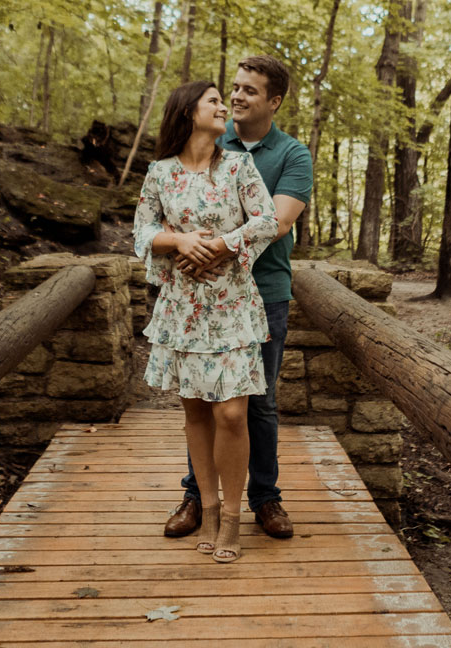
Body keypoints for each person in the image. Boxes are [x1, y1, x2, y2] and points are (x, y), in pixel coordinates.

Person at [162, 55, 312, 542]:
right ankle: (196, 495)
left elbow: (279, 221)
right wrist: (183, 247)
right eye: (235, 87)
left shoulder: (292, 155)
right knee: (202, 398)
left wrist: (216, 249)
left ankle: (265, 498)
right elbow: (171, 206)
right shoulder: (209, 140)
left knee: (258, 402)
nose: (237, 96)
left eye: (250, 89)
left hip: (263, 293)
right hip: (200, 294)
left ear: (275, 101)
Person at [133, 80, 279, 563]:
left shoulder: (239, 165)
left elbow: (266, 221)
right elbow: (142, 232)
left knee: (232, 414)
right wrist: (178, 243)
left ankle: (233, 516)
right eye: (214, 100)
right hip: (183, 306)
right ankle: (209, 511)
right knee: (196, 412)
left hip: (232, 303)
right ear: (187, 112)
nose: (223, 106)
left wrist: (220, 245)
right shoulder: (159, 173)